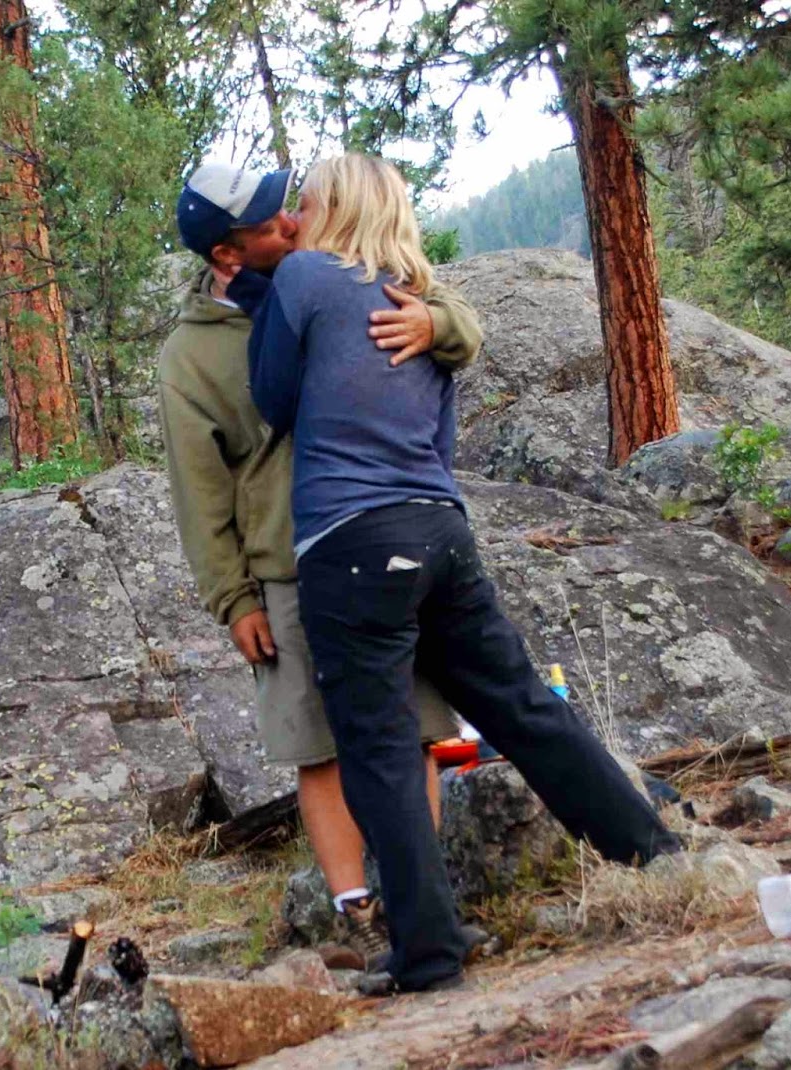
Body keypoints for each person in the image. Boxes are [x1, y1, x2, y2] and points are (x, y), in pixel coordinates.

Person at [227, 154, 682, 995]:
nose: (296, 218)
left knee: (379, 749)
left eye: (309, 202)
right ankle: (655, 854)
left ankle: (428, 952)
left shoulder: (304, 279)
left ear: (338, 209)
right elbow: (439, 444)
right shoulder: (418, 307)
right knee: (524, 708)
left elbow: (273, 400)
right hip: (441, 529)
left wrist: (259, 299)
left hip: (350, 543)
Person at [158, 161, 484, 968]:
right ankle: (356, 914)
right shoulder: (191, 357)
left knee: (413, 731)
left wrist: (437, 325)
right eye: (272, 223)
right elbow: (200, 491)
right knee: (322, 747)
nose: (294, 223)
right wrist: (235, 598)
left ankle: (422, 907)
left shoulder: (343, 278)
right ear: (228, 253)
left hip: (378, 547)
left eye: (290, 208)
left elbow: (455, 322)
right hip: (288, 574)